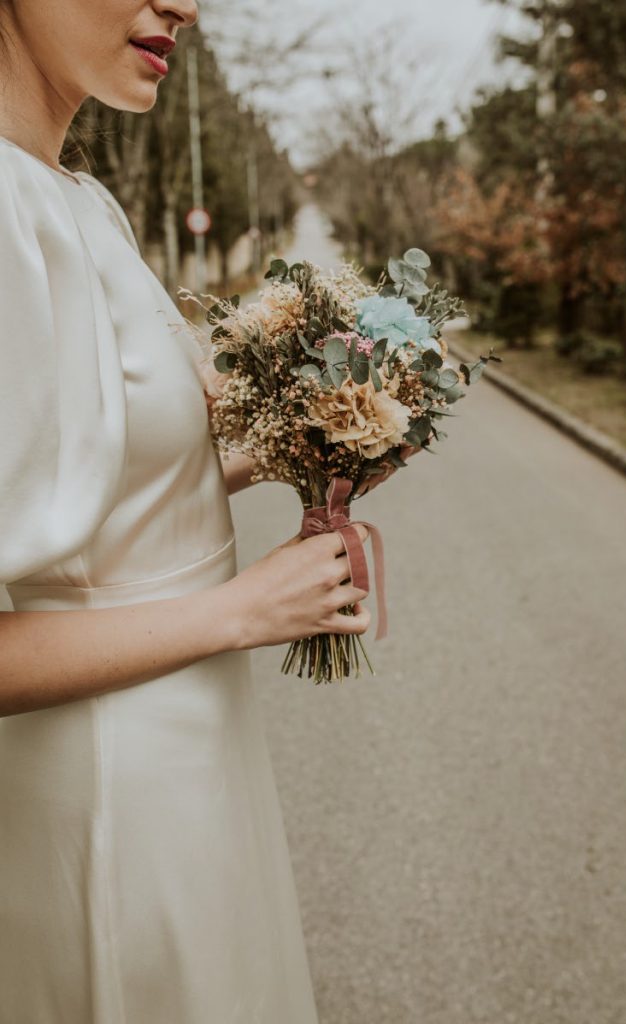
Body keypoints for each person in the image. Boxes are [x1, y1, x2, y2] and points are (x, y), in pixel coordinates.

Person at [0, 1, 380, 1020]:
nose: (184, 4)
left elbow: (93, 477)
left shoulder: (83, 200)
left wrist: (299, 451)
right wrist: (243, 610)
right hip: (108, 788)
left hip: (188, 751)